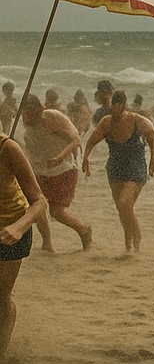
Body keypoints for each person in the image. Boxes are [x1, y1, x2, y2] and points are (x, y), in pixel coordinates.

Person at [82, 90, 154, 254]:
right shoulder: (106, 122)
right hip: (116, 167)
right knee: (121, 208)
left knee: (125, 203)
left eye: (115, 107)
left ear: (122, 106)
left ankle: (137, 234)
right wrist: (86, 158)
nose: (112, 110)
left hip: (136, 166)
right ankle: (128, 242)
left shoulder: (136, 120)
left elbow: (153, 135)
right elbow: (92, 140)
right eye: (111, 107)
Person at [22, 95, 92, 252]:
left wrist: (59, 158)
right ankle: (47, 244)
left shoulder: (53, 117)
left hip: (63, 169)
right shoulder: (27, 127)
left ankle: (83, 230)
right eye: (24, 113)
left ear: (39, 109)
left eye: (30, 113)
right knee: (37, 207)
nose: (26, 117)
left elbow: (76, 140)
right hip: (40, 172)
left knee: (56, 211)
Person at [0, 132, 48, 360]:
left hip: (9, 230)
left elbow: (40, 201)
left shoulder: (8, 148)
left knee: (1, 296)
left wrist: (18, 227)